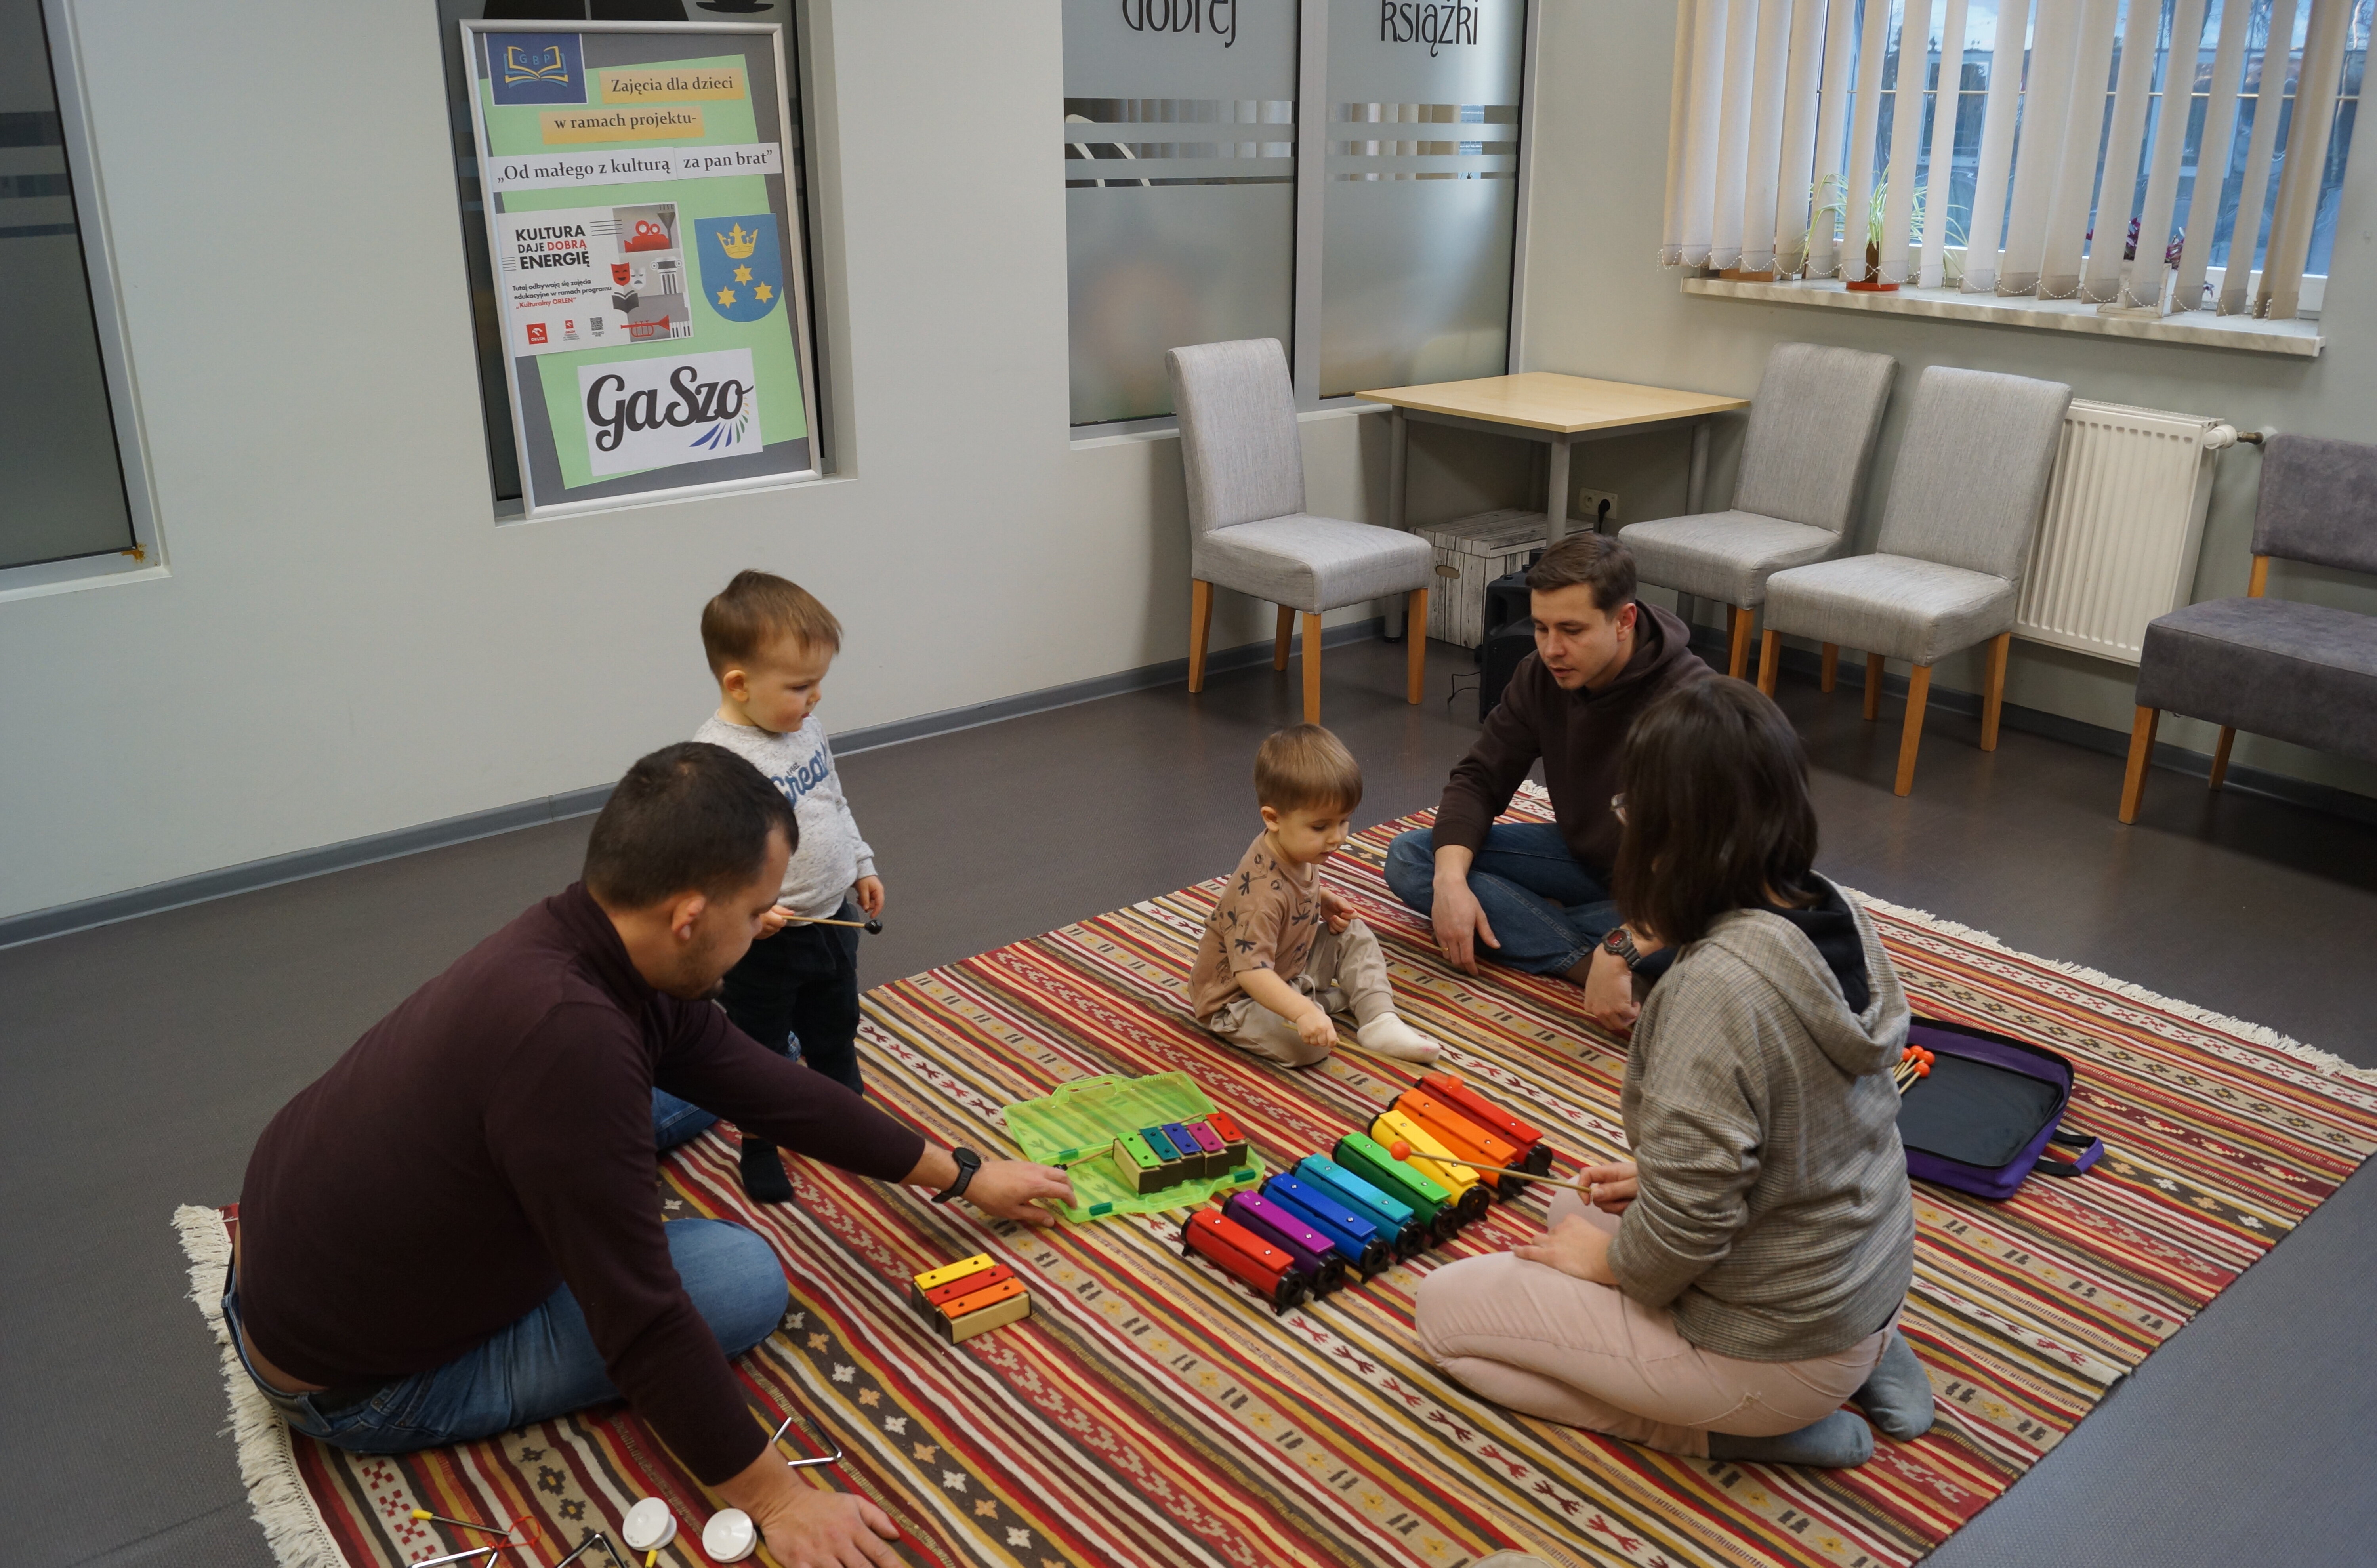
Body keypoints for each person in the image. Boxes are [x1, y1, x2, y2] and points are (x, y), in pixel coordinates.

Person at [228, 744, 1073, 1568]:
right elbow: (638, 1315)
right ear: (688, 917)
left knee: (746, 1057)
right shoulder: (572, 1049)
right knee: (741, 1276)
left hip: (299, 1259)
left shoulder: (583, 940)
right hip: (361, 1384)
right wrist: (778, 1500)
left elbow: (767, 1088)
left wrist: (963, 1172)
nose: (767, 927)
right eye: (757, 912)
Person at [1413, 680, 1932, 1467]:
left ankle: (1746, 1427)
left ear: (1673, 832)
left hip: (1779, 1346)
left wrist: (1614, 1265)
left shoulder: (1714, 989)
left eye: (1634, 809)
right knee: (1573, 1203)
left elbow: (1691, 1223)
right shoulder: (1829, 908)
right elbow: (1805, 1124)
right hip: (1856, 1274)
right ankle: (1869, 1347)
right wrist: (1664, 1180)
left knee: (1444, 1314)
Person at [1383, 535, 1709, 1037]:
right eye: (1541, 627)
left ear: (1624, 621)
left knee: (1708, 942)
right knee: (1413, 858)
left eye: (1572, 630)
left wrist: (1626, 942)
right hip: (1587, 862)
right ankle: (1582, 956)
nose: (1552, 649)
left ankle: (1558, 930)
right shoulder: (1539, 676)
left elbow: (1709, 881)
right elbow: (1478, 779)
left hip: (1671, 896)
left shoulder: (1693, 704)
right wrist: (1449, 884)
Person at [690, 570, 884, 1204]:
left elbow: (833, 799)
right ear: (739, 684)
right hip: (764, 945)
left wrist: (861, 863)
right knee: (763, 1051)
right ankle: (760, 1143)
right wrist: (748, 910)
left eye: (818, 682)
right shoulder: (714, 762)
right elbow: (704, 862)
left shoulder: (807, 728)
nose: (815, 697)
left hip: (834, 918)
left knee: (837, 1025)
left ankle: (844, 1112)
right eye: (800, 686)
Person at [1187, 724, 1440, 1067]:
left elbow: (1288, 889)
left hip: (1287, 965)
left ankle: (1380, 1021)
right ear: (1273, 819)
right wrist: (1304, 1012)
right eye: (1321, 827)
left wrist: (1319, 897)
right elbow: (1251, 973)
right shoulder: (1260, 897)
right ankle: (1321, 1002)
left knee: (1352, 932)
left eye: (1344, 821)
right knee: (1310, 1048)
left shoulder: (1293, 848)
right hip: (1239, 999)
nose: (1337, 838)